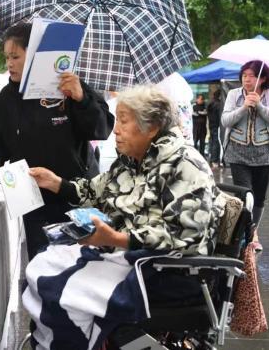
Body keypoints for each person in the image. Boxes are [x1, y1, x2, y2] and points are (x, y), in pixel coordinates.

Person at [25, 86, 224, 350]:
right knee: (43, 263)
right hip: (128, 254)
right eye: (117, 119)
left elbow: (183, 236)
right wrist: (55, 183)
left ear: (151, 128)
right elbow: (95, 191)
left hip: (167, 270)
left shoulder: (184, 164)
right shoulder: (130, 161)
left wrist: (118, 239)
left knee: (64, 290)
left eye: (124, 121)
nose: (115, 129)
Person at [0, 23, 114, 258]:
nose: (9, 63)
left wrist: (80, 99)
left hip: (74, 196)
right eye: (7, 57)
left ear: (37, 57)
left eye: (16, 56)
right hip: (32, 199)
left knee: (78, 266)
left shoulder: (69, 88)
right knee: (40, 264)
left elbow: (101, 129)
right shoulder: (7, 97)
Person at [221, 60, 269, 248]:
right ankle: (248, 234)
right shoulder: (234, 94)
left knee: (259, 196)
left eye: (252, 75)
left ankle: (253, 230)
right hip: (237, 151)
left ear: (263, 78)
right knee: (245, 195)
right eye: (244, 75)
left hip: (265, 152)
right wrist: (243, 107)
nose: (247, 79)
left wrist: (260, 106)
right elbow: (225, 120)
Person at [207, 89, 224, 168]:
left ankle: (212, 159)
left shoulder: (211, 103)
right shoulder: (218, 104)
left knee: (212, 141)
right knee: (216, 142)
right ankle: (214, 160)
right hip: (216, 125)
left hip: (211, 125)